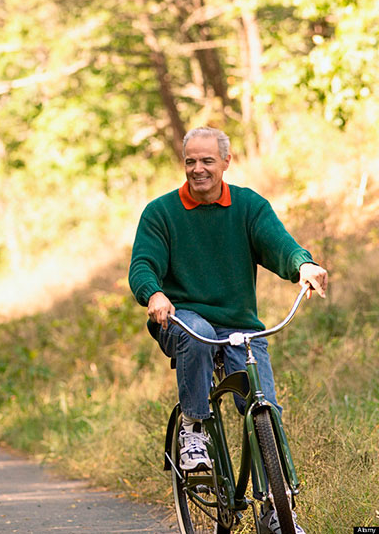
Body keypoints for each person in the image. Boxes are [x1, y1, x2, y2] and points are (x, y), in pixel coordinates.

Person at [128, 126, 327, 534]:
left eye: (207, 161)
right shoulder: (161, 212)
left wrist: (302, 265)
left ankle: (276, 506)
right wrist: (154, 295)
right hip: (182, 320)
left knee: (264, 408)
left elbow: (279, 245)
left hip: (238, 326)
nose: (198, 169)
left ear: (226, 162)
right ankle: (194, 428)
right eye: (190, 161)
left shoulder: (248, 206)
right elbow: (142, 264)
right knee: (195, 331)